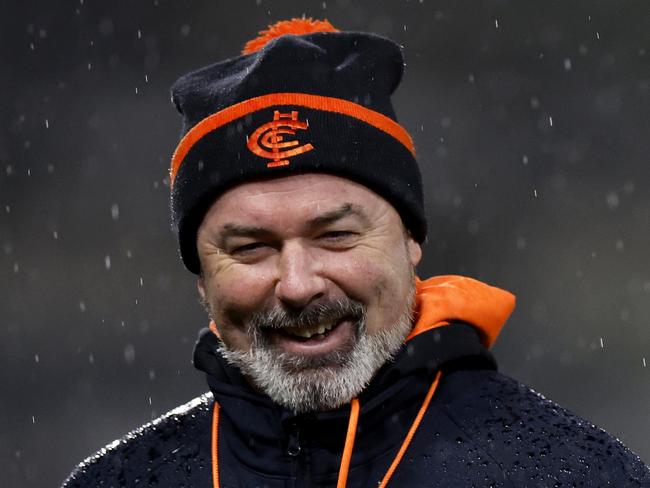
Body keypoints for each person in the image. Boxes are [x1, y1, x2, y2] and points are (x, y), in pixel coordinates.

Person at [62, 18, 650, 488]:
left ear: (412, 241)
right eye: (250, 248)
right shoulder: (119, 480)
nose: (297, 284)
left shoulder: (573, 475)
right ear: (202, 280)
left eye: (336, 236)